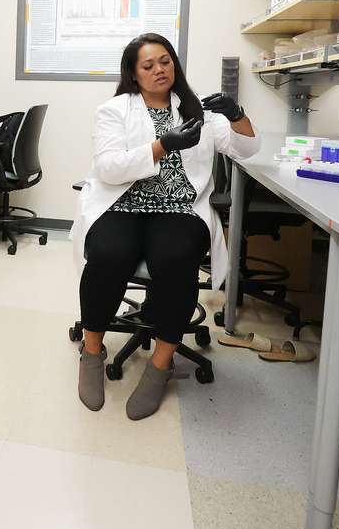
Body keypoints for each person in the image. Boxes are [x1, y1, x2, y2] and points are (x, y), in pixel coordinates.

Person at [71, 33, 259, 419]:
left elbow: (248, 150)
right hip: (123, 204)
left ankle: (160, 365)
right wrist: (161, 146)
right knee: (108, 255)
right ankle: (91, 352)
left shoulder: (198, 112)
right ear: (134, 74)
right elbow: (108, 167)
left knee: (175, 259)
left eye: (165, 61)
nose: (159, 69)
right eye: (148, 65)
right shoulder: (115, 110)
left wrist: (237, 115)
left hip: (179, 209)